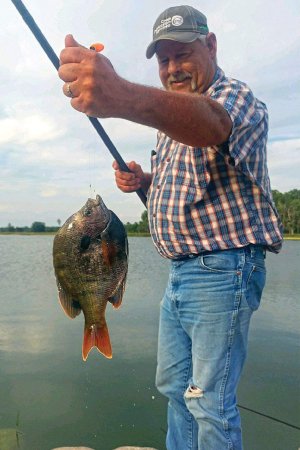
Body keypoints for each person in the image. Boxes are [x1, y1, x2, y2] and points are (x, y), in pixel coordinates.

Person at [58, 5, 283, 450]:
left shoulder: (235, 97)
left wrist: (120, 95)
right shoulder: (170, 125)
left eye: (183, 54)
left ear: (212, 46)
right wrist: (145, 183)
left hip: (223, 270)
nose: (173, 68)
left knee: (209, 403)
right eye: (163, 60)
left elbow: (212, 125)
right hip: (181, 273)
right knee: (175, 389)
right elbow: (190, 188)